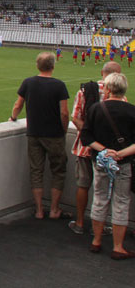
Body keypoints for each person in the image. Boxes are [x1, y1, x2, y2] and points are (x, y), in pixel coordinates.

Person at [9, 52, 70, 220]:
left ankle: (38, 210)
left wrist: (13, 117)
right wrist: (63, 130)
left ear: (37, 65)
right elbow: (64, 113)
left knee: (36, 170)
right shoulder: (59, 85)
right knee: (58, 170)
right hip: (54, 135)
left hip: (34, 133)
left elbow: (18, 104)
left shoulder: (28, 82)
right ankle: (54, 209)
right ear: (53, 66)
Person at [81, 73, 135, 259]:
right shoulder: (131, 111)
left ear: (108, 89)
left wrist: (104, 151)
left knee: (99, 198)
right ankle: (118, 247)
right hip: (123, 163)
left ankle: (96, 241)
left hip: (101, 161)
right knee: (121, 201)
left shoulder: (96, 109)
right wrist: (119, 154)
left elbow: (86, 137)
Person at [68, 61, 123, 235]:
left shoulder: (84, 91)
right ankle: (100, 227)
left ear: (102, 72)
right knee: (105, 189)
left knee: (83, 185)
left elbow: (75, 118)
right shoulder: (120, 96)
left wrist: (89, 136)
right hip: (108, 151)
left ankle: (79, 222)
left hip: (85, 147)